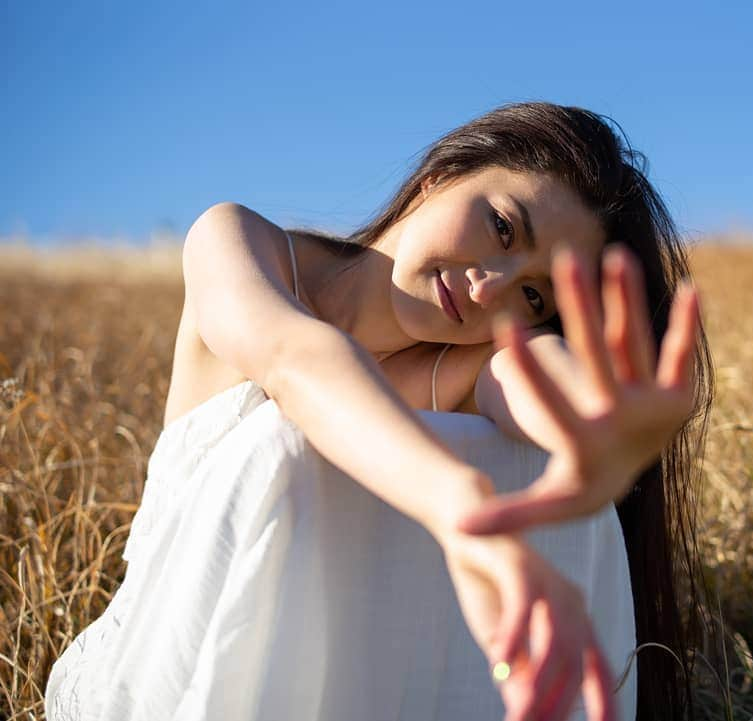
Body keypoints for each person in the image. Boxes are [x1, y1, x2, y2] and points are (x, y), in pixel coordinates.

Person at [44, 102, 715, 721]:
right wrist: (461, 507)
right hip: (161, 665)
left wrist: (598, 421)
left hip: (358, 678)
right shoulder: (240, 243)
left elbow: (531, 374)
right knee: (294, 446)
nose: (494, 287)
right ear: (441, 174)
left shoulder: (466, 364)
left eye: (536, 296)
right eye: (503, 227)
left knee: (546, 473)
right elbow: (296, 361)